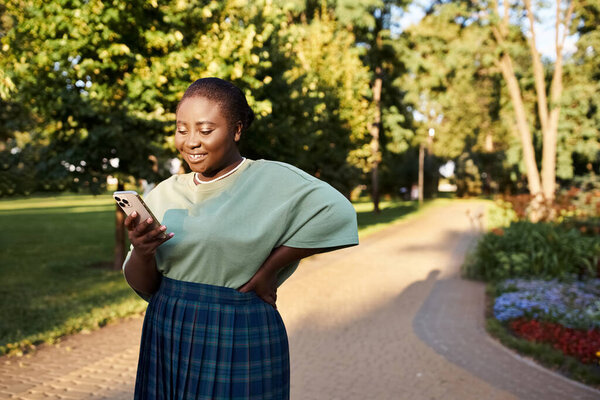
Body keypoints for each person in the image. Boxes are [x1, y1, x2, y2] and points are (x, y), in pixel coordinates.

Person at [122, 77, 359, 400]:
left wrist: (270, 269)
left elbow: (339, 213)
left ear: (236, 130)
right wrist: (142, 252)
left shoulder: (273, 179)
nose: (191, 141)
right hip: (167, 326)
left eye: (205, 130)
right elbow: (145, 286)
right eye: (182, 129)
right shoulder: (165, 193)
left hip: (238, 325)